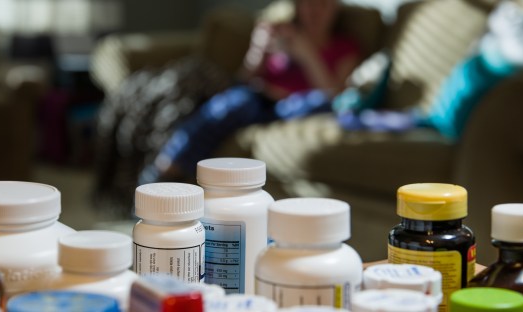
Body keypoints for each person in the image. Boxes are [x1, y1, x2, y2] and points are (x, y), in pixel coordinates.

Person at [140, 0, 361, 184]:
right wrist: (257, 52)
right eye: (308, 4)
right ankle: (163, 170)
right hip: (257, 102)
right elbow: (243, 80)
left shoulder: (345, 48)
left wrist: (307, 54)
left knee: (319, 102)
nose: (315, 11)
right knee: (235, 102)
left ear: (335, 8)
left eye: (323, 5)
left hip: (294, 109)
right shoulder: (283, 35)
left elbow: (337, 98)